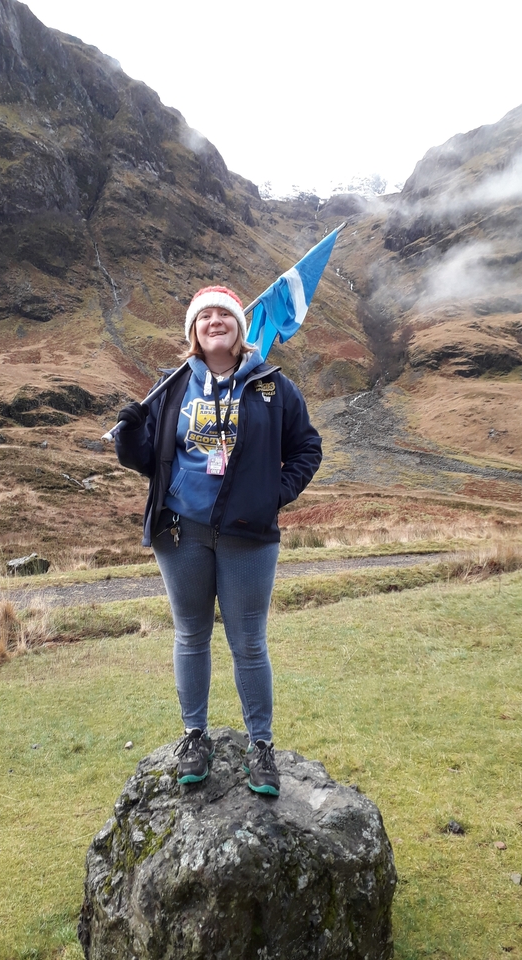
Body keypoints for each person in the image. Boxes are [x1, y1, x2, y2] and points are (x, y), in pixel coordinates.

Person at [115, 285, 322, 796]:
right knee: (190, 635)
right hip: (181, 533)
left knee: (248, 642)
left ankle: (261, 747)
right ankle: (194, 738)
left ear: (240, 327)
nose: (214, 321)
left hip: (249, 537)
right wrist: (129, 439)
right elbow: (153, 460)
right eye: (204, 316)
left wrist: (274, 494)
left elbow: (307, 448)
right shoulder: (171, 387)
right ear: (193, 331)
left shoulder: (273, 387)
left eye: (223, 314)